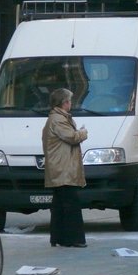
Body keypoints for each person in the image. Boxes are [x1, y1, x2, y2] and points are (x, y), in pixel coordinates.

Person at [42, 88, 89, 248]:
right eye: (69, 101)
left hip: (58, 168)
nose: (71, 104)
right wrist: (83, 132)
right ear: (64, 103)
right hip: (63, 169)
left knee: (60, 205)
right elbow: (72, 137)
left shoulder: (55, 118)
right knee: (71, 205)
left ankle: (59, 238)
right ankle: (74, 238)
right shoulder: (58, 119)